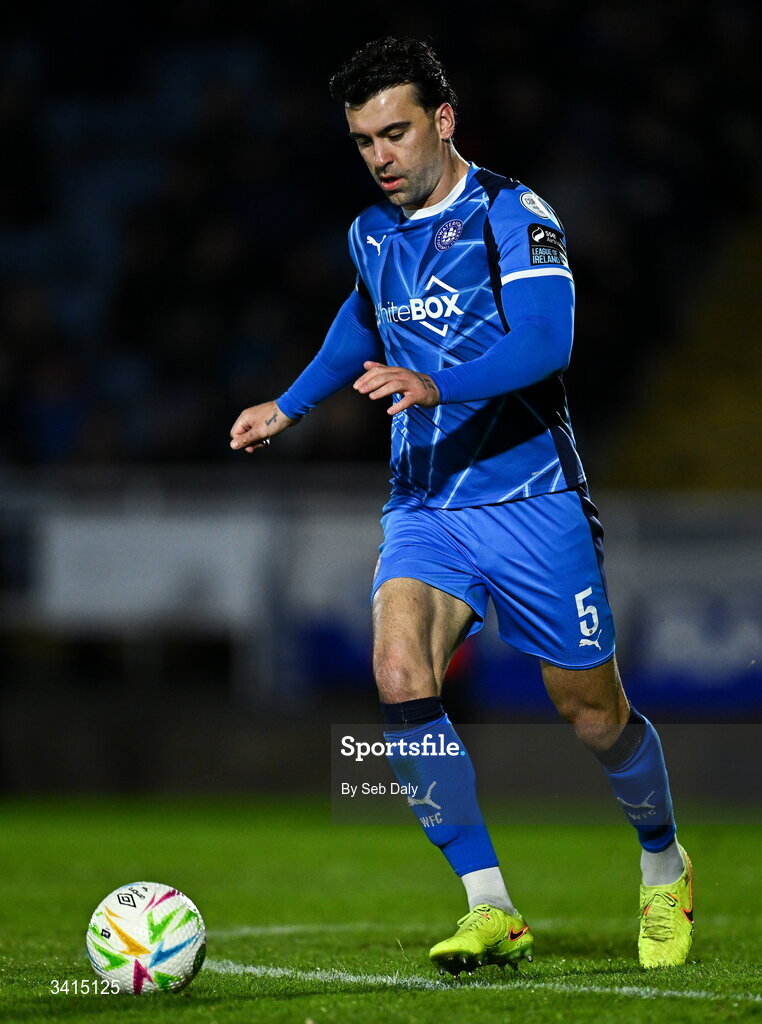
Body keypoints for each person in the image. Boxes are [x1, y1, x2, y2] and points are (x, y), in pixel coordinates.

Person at [230, 36, 693, 975]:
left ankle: (663, 859)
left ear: (443, 120)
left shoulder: (512, 214)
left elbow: (548, 341)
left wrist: (437, 383)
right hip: (425, 505)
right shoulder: (371, 234)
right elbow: (359, 321)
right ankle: (489, 905)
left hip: (532, 499)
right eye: (363, 141)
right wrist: (288, 403)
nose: (381, 156)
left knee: (593, 715)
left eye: (395, 133)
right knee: (400, 675)